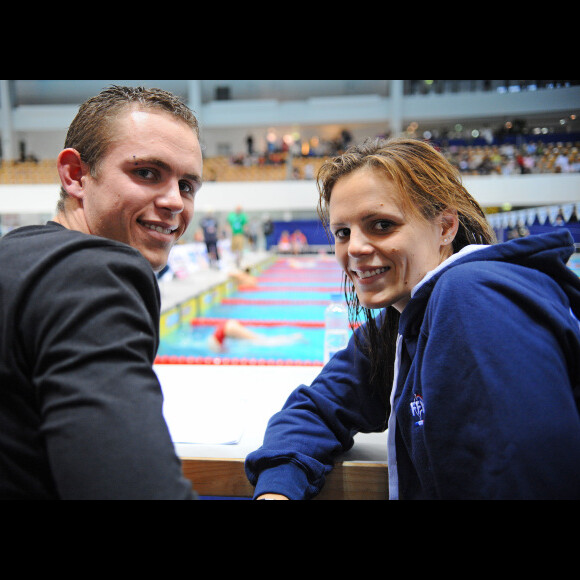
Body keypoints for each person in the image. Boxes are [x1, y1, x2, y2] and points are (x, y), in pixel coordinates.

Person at [245, 137, 580, 500]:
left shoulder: (472, 299)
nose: (354, 248)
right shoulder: (399, 325)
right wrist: (277, 489)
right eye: (343, 232)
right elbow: (316, 408)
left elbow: (525, 478)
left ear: (445, 227)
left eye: (381, 225)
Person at [0, 85, 203, 499]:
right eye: (147, 173)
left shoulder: (15, 255)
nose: (174, 203)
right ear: (76, 175)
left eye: (187, 186)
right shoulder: (94, 275)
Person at [208, 319, 304, 353]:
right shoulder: (214, 339)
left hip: (228, 328)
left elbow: (221, 350)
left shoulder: (213, 343)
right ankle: (293, 338)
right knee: (261, 340)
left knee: (262, 341)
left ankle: (294, 338)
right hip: (228, 326)